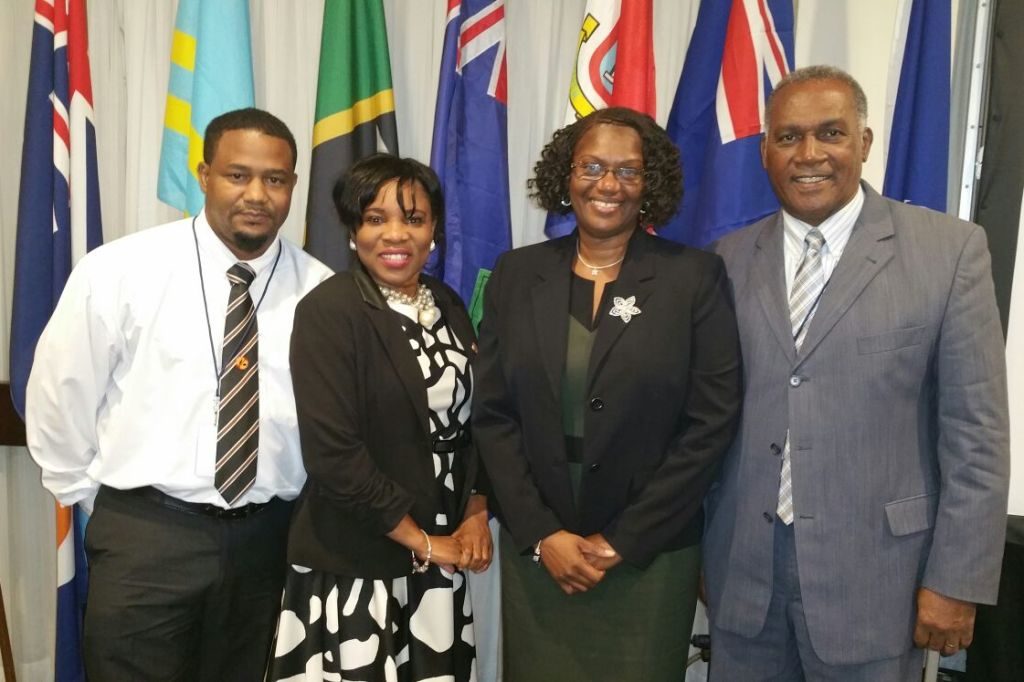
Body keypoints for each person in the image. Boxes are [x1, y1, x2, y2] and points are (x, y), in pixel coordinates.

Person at [703, 65, 1010, 681]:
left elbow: (976, 437)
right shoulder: (729, 259)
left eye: (831, 133)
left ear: (864, 144)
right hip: (746, 580)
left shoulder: (949, 253)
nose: (809, 154)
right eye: (788, 137)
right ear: (765, 151)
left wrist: (956, 581)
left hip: (879, 585)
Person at [24, 108, 333, 680]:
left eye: (276, 179)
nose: (257, 194)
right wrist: (101, 502)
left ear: (293, 184)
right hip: (148, 539)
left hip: (268, 542)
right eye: (237, 175)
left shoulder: (323, 292)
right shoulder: (121, 271)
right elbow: (58, 398)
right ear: (203, 174)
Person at [472, 107, 742, 680]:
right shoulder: (517, 275)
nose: (608, 185)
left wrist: (622, 541)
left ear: (652, 185)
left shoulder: (693, 278)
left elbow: (711, 423)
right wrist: (542, 534)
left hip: (647, 557)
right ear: (566, 177)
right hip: (542, 554)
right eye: (591, 166)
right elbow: (493, 415)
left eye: (629, 171)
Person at [267, 154, 491, 681]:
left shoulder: (449, 304)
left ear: (434, 229)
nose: (396, 234)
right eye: (375, 218)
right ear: (352, 230)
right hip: (359, 558)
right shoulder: (330, 311)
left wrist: (477, 506)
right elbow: (333, 454)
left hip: (440, 555)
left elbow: (475, 422)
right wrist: (421, 540)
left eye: (413, 219)